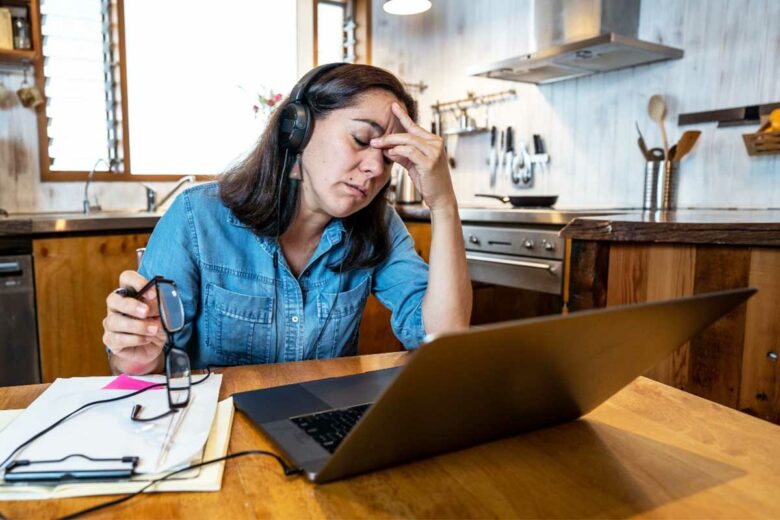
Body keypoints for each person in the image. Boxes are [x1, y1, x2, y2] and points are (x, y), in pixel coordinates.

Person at [102, 63, 472, 375]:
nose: (376, 167)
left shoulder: (380, 226)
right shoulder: (197, 218)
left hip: (321, 431)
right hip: (219, 430)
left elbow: (443, 339)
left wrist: (443, 204)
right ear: (297, 131)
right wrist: (133, 356)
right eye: (361, 139)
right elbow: (149, 367)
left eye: (389, 158)